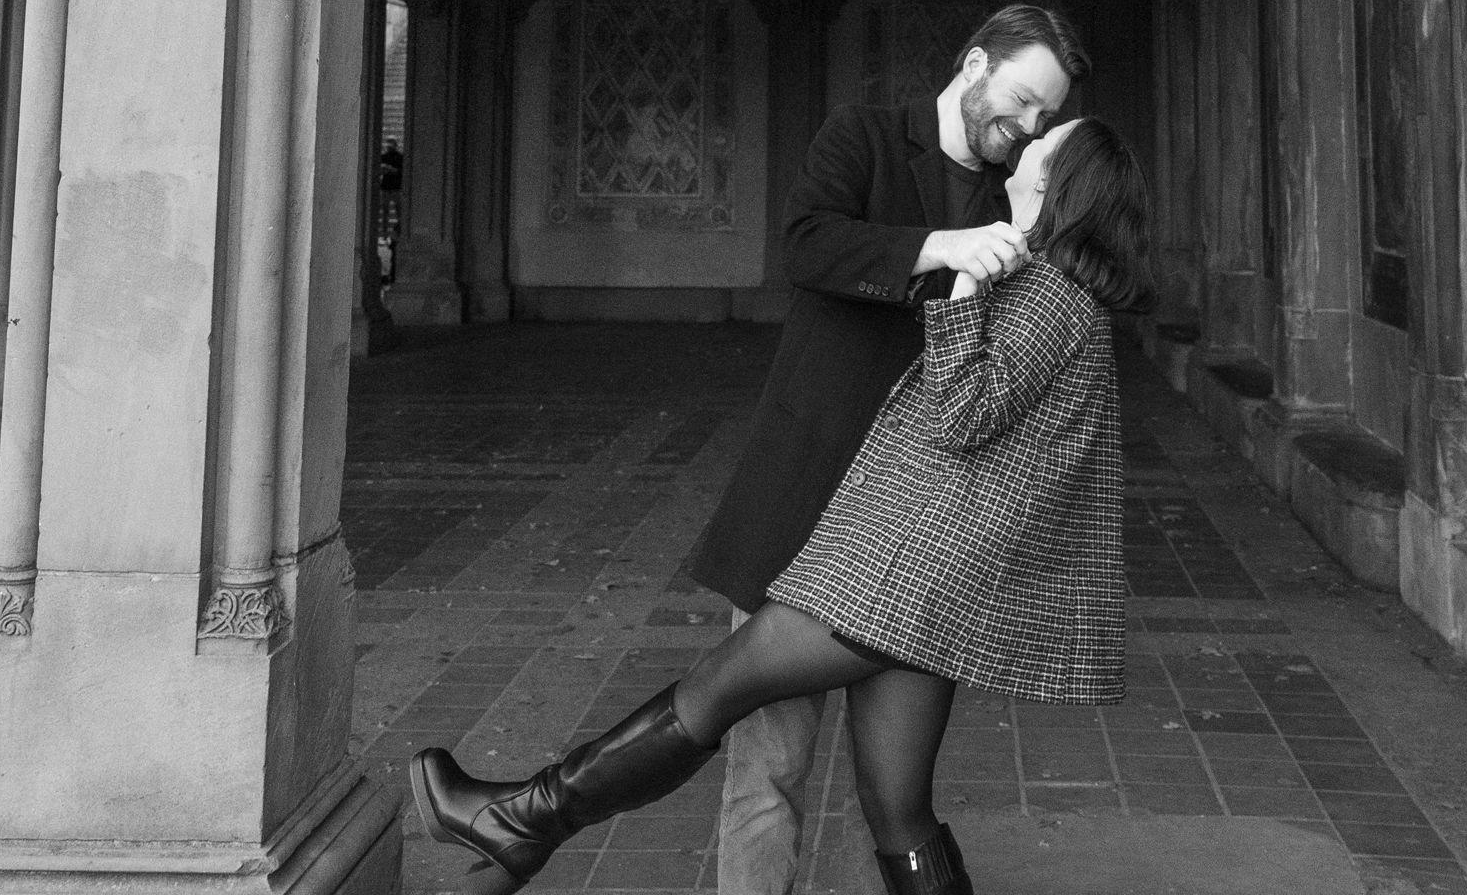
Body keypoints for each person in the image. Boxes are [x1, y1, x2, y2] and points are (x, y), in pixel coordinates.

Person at [411, 115, 1155, 895]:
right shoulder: (1049, 286)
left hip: (904, 579)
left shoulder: (1050, 293)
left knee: (714, 693)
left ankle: (524, 820)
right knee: (898, 810)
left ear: (1058, 181)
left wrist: (965, 289)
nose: (1029, 143)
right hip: (923, 583)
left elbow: (962, 413)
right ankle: (519, 827)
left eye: (1047, 141)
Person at [690, 3, 1088, 895]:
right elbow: (806, 245)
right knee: (767, 771)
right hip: (808, 499)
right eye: (1022, 99)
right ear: (975, 63)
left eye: (1046, 116)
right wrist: (942, 247)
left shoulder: (1020, 196)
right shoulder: (862, 136)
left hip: (921, 533)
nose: (1028, 127)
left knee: (897, 797)